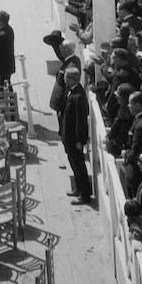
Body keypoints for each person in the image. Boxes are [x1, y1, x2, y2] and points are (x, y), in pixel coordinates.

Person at [61, 65, 92, 205]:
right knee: (73, 164)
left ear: (72, 79)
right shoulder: (71, 91)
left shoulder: (79, 96)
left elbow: (81, 120)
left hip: (75, 139)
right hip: (68, 137)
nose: (64, 79)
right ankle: (78, 188)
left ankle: (85, 195)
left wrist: (80, 140)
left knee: (80, 166)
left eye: (66, 77)